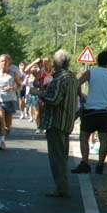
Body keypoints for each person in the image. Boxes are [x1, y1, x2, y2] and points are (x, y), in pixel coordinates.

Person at [37, 50, 79, 197]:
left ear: (56, 63)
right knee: (63, 155)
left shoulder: (60, 79)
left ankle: (61, 187)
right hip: (67, 121)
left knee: (57, 157)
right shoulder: (73, 78)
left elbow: (54, 99)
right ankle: (63, 185)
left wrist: (40, 94)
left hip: (56, 122)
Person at [72, 51, 107, 175]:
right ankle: (100, 165)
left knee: (84, 136)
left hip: (90, 109)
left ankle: (85, 163)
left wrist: (81, 95)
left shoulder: (91, 72)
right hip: (105, 111)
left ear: (98, 60)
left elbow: (77, 83)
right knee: (104, 138)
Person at [0, 54, 23, 150]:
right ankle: (2, 142)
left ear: (9, 62)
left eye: (6, 61)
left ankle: (7, 128)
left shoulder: (13, 73)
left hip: (10, 100)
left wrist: (12, 88)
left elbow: (20, 86)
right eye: (2, 61)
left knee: (8, 125)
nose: (4, 63)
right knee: (0, 121)